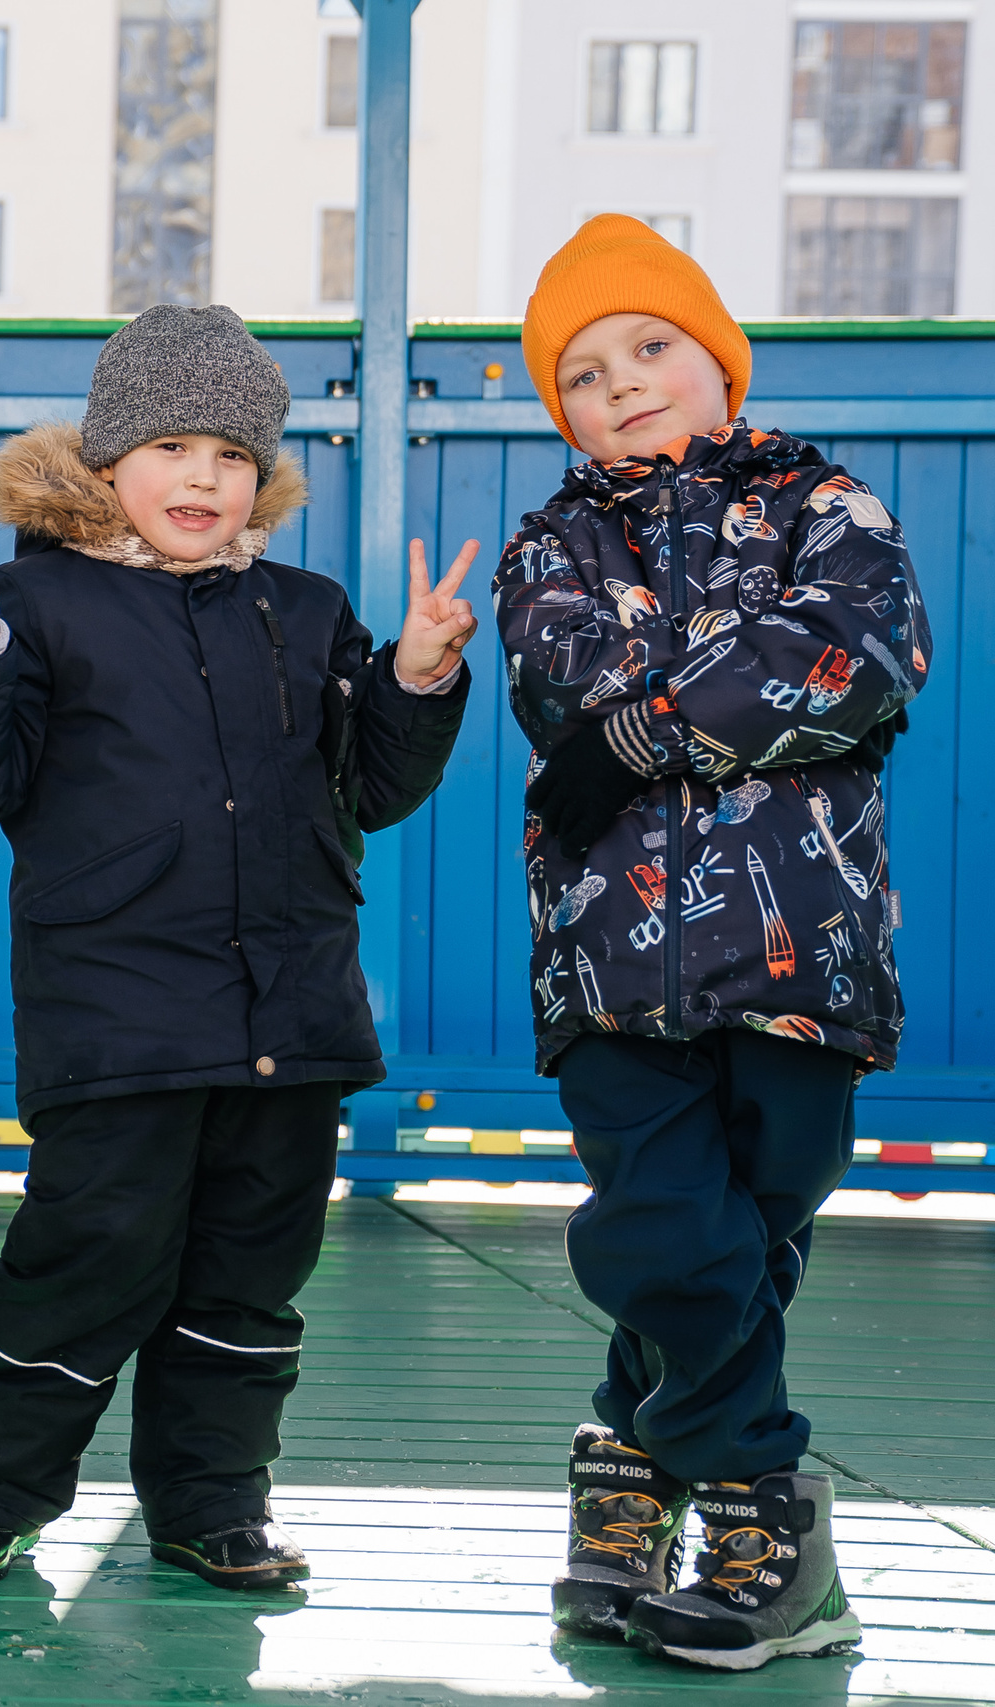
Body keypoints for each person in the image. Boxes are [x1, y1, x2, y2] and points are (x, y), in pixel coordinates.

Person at [0, 305, 476, 1590]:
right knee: (86, 1261)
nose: (201, 477)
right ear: (107, 464)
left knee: (248, 1277)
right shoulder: (34, 601)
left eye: (228, 453)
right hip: (115, 1015)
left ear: (256, 476)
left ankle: (213, 1504)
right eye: (169, 447)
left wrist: (419, 676)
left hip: (294, 1011)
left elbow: (368, 789)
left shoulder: (309, 608)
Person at [498, 215, 926, 1670]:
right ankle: (763, 1506)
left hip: (806, 960)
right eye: (584, 371)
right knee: (662, 1226)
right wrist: (695, 695)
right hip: (616, 968)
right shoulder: (549, 545)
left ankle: (630, 1453)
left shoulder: (831, 506)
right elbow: (572, 681)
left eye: (651, 347)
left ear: (719, 362)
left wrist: (648, 728)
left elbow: (860, 660)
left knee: (753, 1229)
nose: (622, 383)